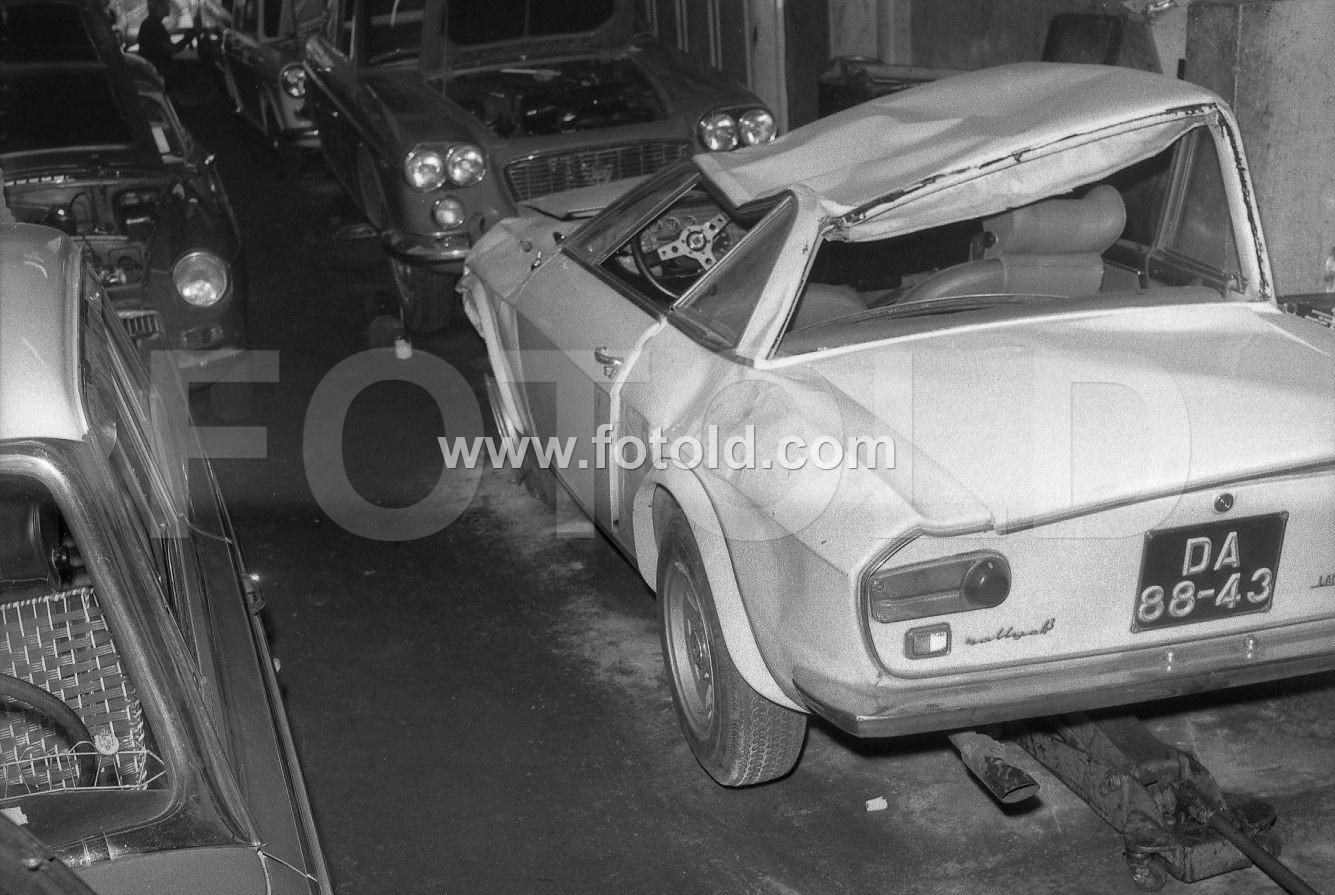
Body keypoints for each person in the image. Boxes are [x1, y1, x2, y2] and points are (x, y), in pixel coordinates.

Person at [136, 0, 195, 88]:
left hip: (154, 68)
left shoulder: (150, 23)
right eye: (166, 4)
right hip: (157, 71)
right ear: (158, 7)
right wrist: (187, 39)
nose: (169, 7)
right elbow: (174, 49)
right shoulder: (155, 26)